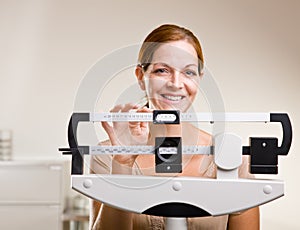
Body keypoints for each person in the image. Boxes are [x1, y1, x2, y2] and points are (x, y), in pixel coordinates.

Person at [89, 24, 260, 230]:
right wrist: (123, 162)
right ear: (140, 77)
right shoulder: (107, 156)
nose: (176, 83)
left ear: (199, 79)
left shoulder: (232, 159)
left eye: (188, 72)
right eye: (162, 70)